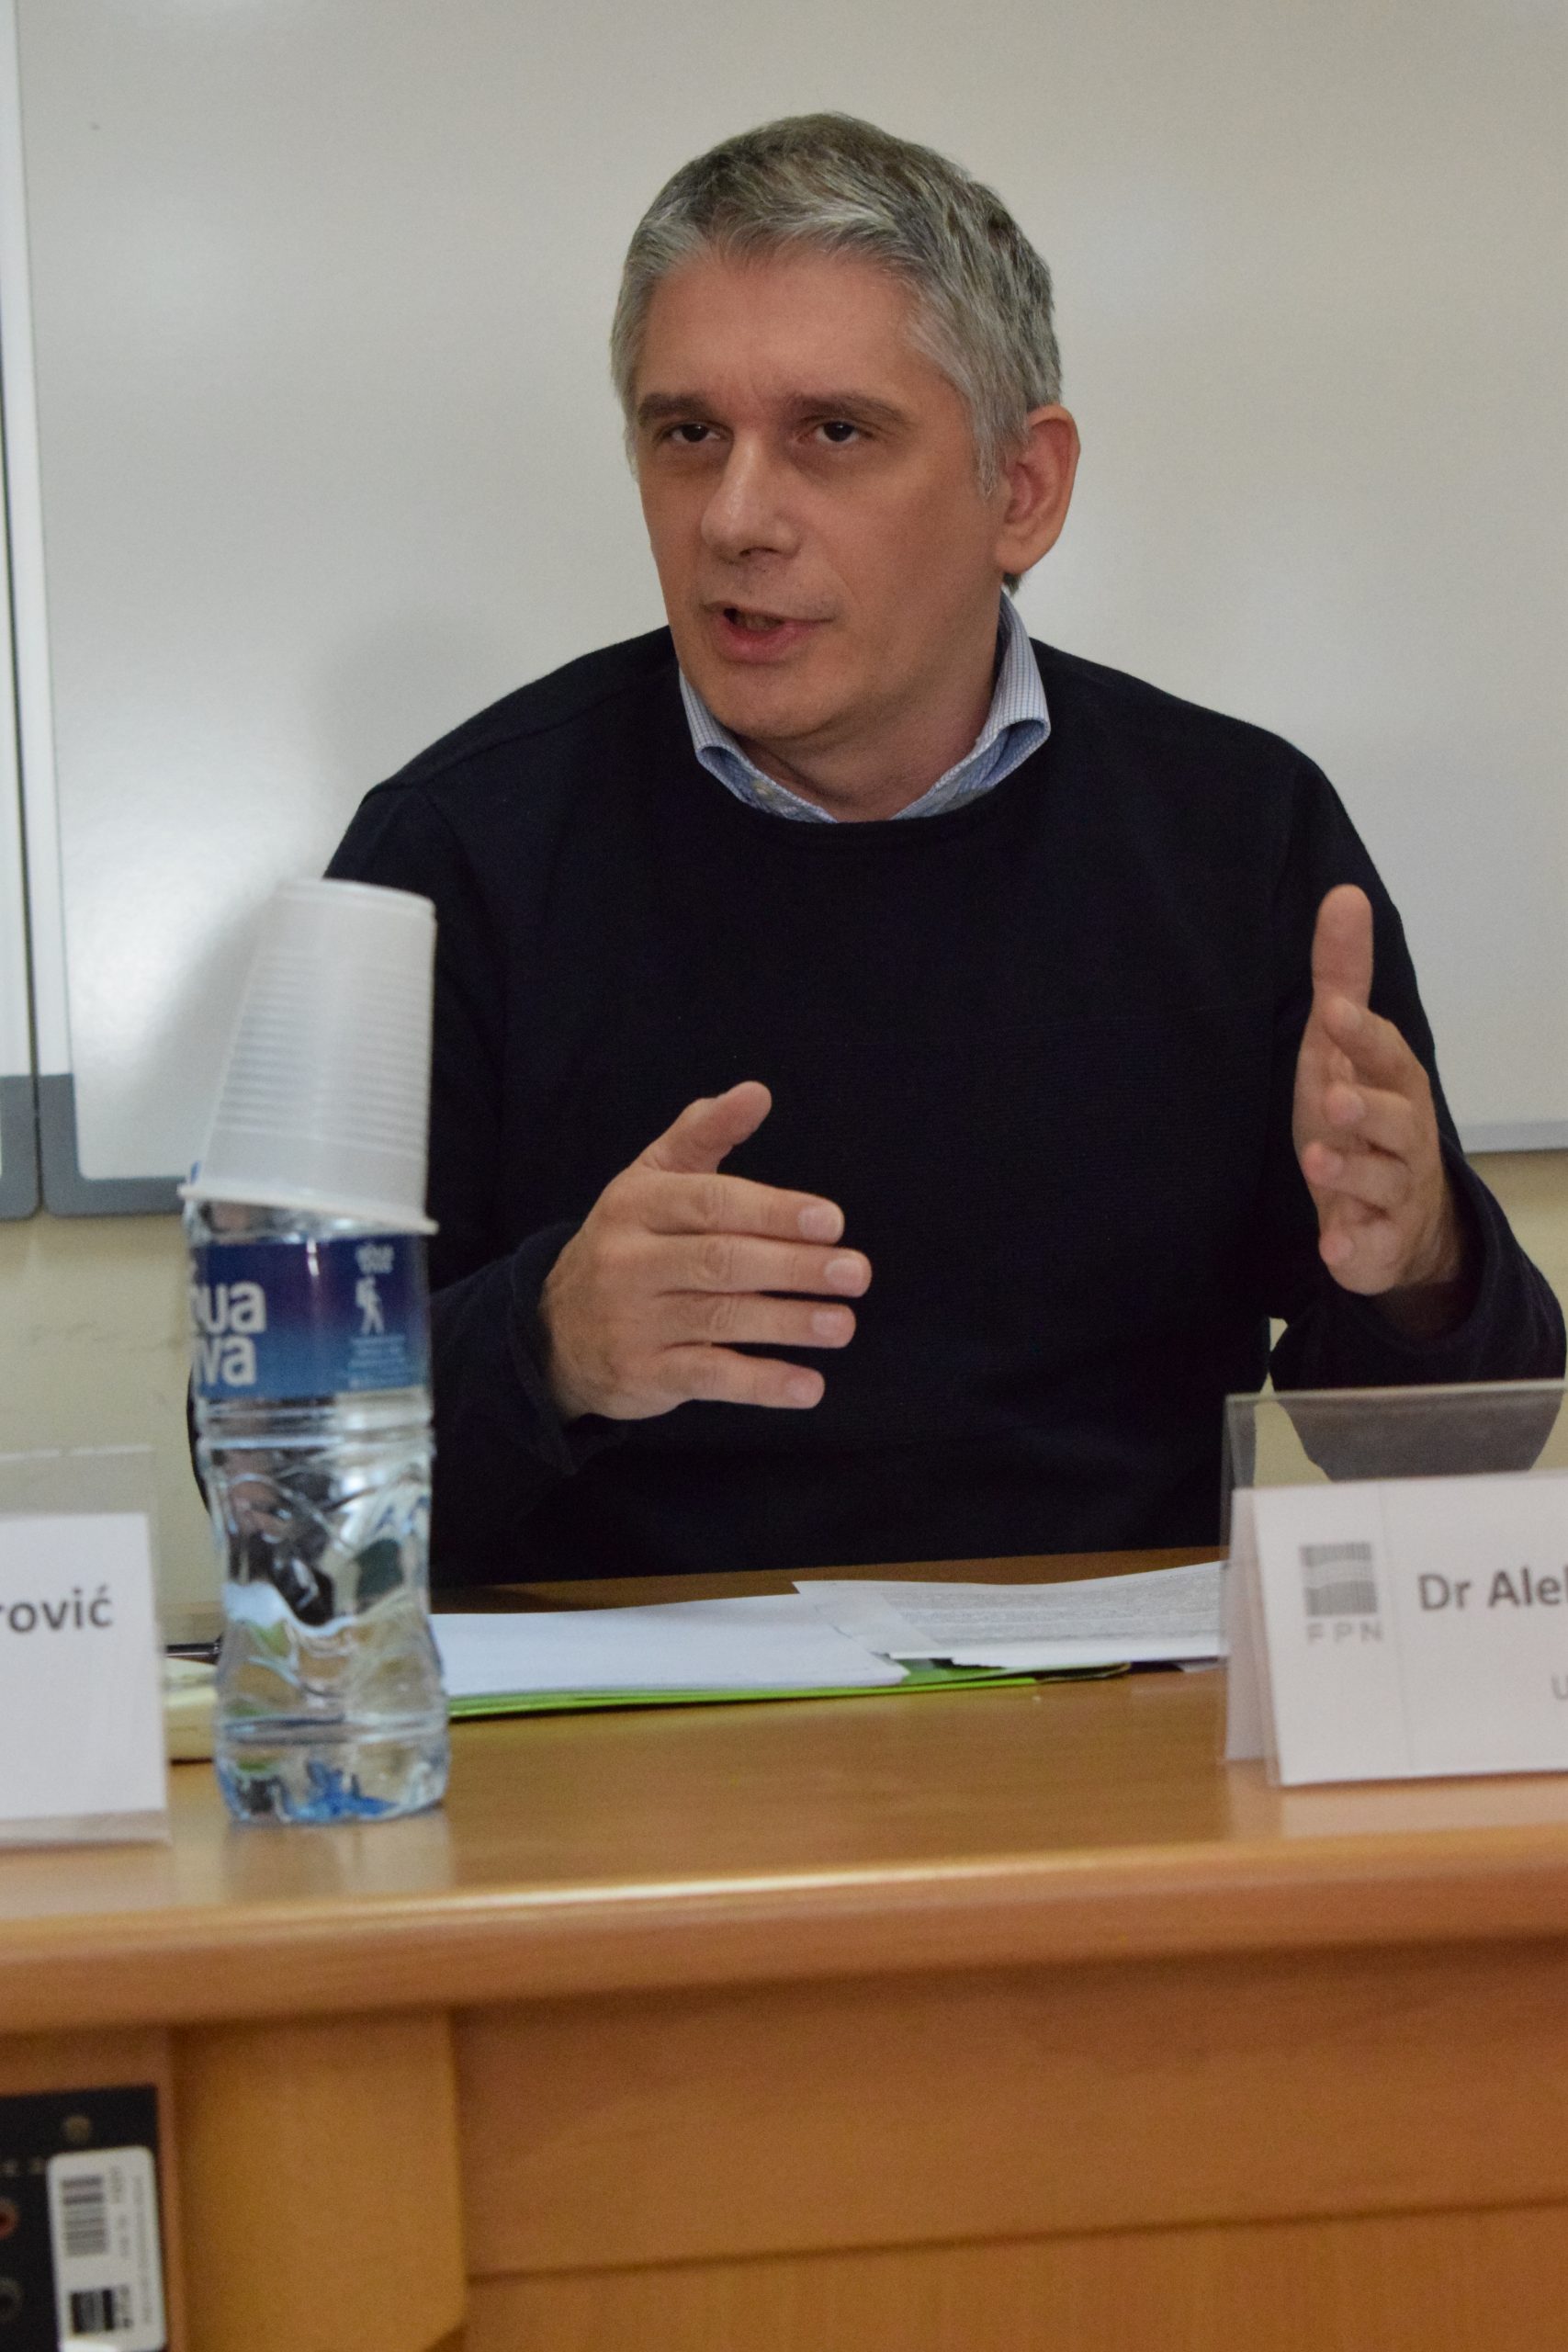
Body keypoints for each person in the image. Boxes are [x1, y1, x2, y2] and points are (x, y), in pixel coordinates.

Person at [328, 113, 1563, 1584]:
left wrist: (1425, 1272)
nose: (735, 518)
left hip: (1118, 1707)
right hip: (626, 1716)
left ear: (1021, 489)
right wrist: (548, 1344)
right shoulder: (451, 853)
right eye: (687, 435)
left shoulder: (1237, 836)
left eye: (833, 435)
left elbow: (1451, 1459)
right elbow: (285, 1497)